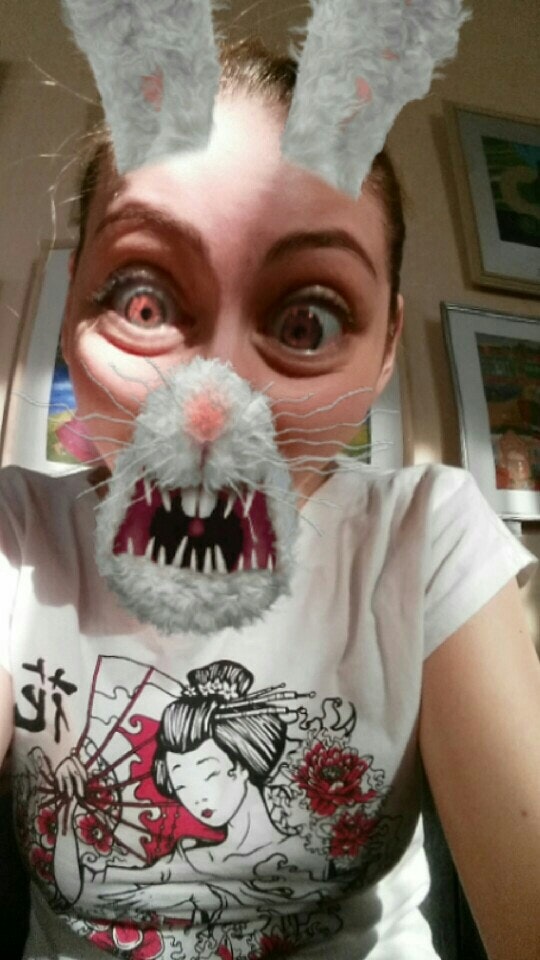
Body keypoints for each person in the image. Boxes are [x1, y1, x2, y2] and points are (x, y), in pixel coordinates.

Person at [0, 36, 539, 960]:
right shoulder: (18, 538)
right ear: (72, 309)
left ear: (384, 352)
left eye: (306, 321)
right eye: (142, 302)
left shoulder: (426, 538)